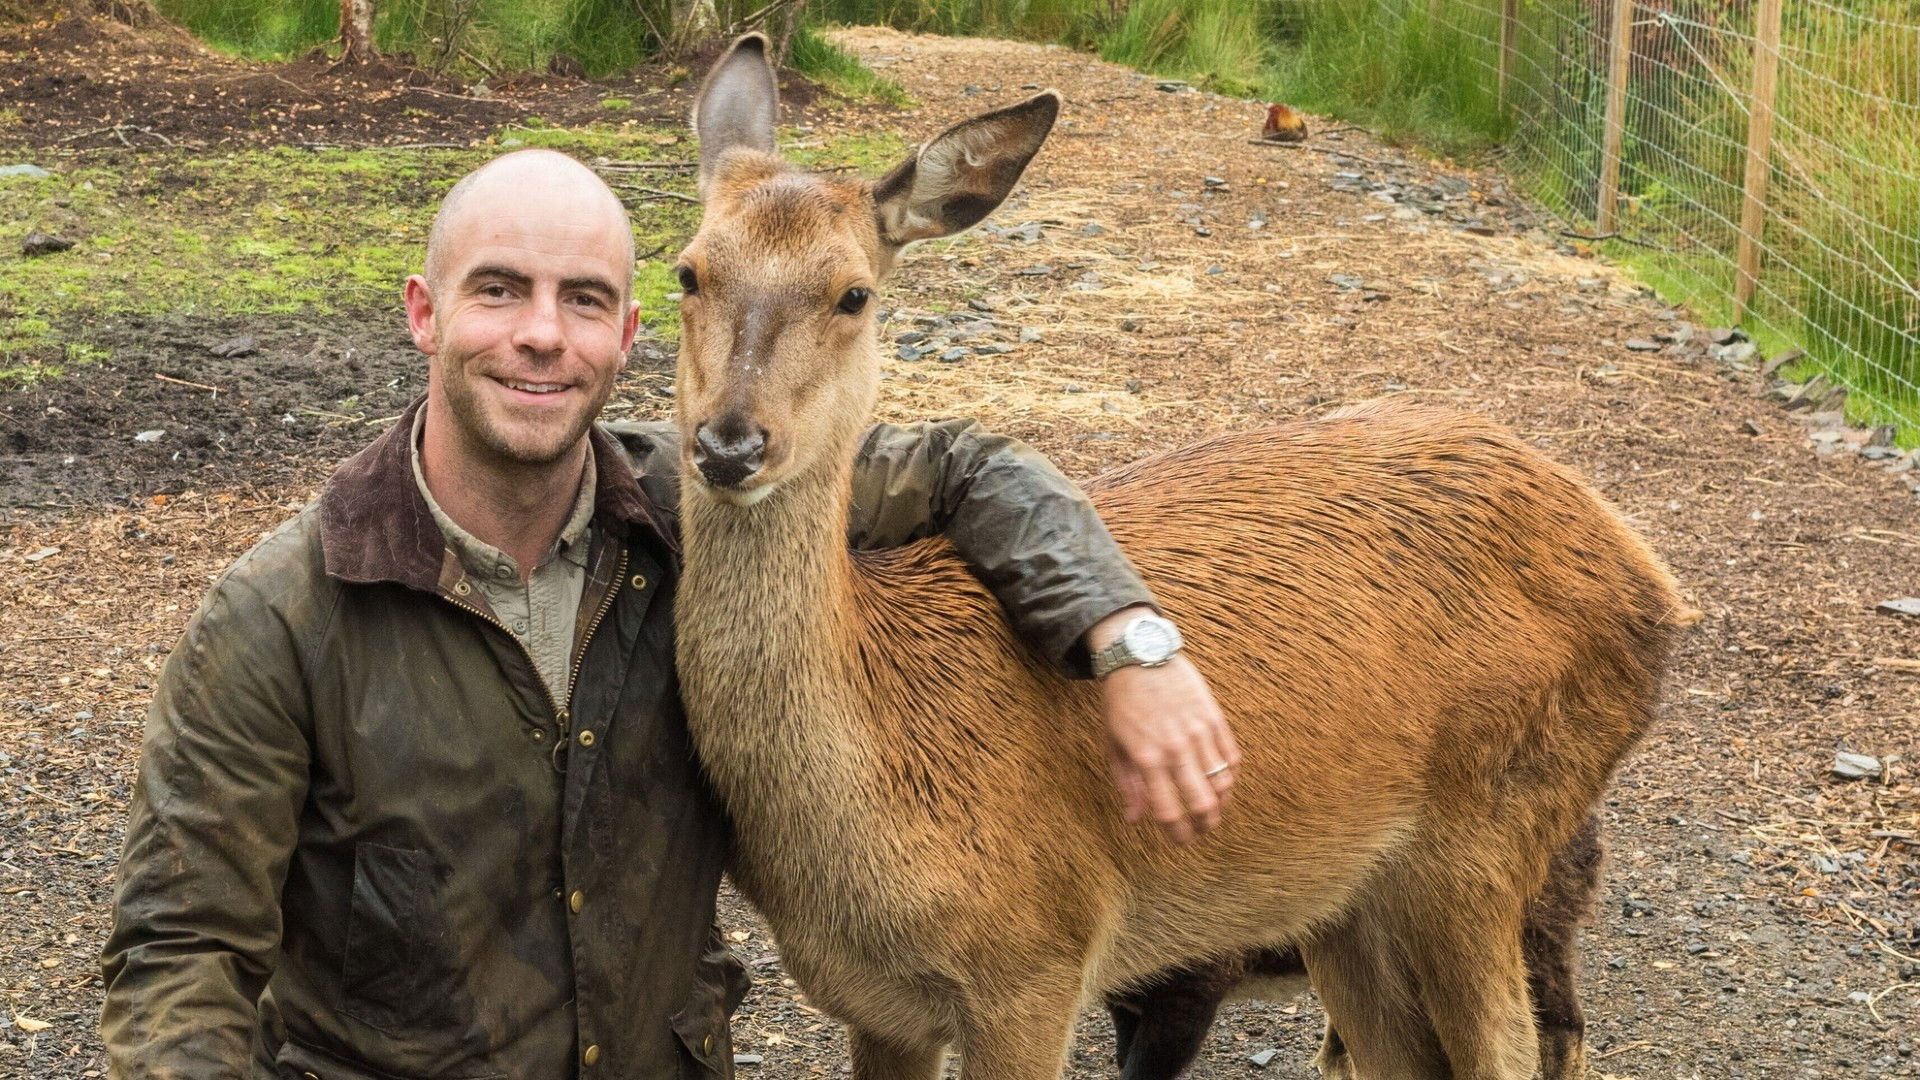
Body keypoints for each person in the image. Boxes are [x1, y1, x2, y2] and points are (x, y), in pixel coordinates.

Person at [99, 149, 1238, 1079]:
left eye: (583, 301)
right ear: (422, 312)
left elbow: (966, 471)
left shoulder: (693, 506)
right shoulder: (277, 618)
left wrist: (1128, 640)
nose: (543, 334)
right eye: (499, 290)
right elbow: (176, 959)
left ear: (628, 334)